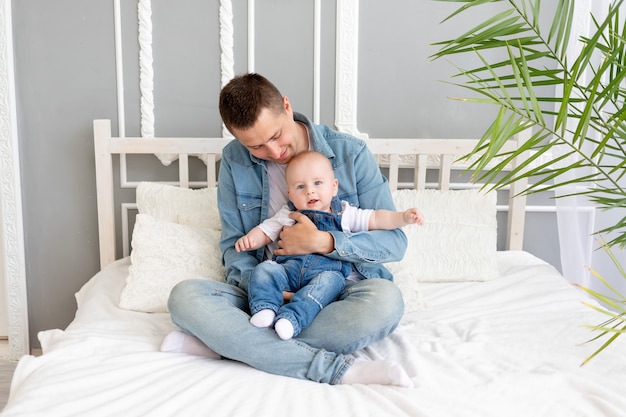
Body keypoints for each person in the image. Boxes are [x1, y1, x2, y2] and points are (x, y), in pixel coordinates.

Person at [161, 73, 412, 387]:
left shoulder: (350, 153)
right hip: (267, 291)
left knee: (386, 302)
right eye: (257, 147)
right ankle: (333, 369)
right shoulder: (234, 161)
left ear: (287, 106)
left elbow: (394, 242)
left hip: (335, 293)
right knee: (184, 298)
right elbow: (233, 246)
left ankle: (227, 345)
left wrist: (326, 241)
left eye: (277, 135)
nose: (275, 151)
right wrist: (266, 290)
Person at [236, 150, 424, 340]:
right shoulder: (288, 213)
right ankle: (265, 309)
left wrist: (403, 217)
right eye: (300, 187)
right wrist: (251, 239)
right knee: (264, 269)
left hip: (325, 278)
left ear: (334, 187)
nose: (310, 190)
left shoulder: (345, 214)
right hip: (289, 274)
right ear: (290, 194)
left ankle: (291, 319)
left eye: (317, 183)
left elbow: (376, 218)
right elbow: (267, 230)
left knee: (332, 282)